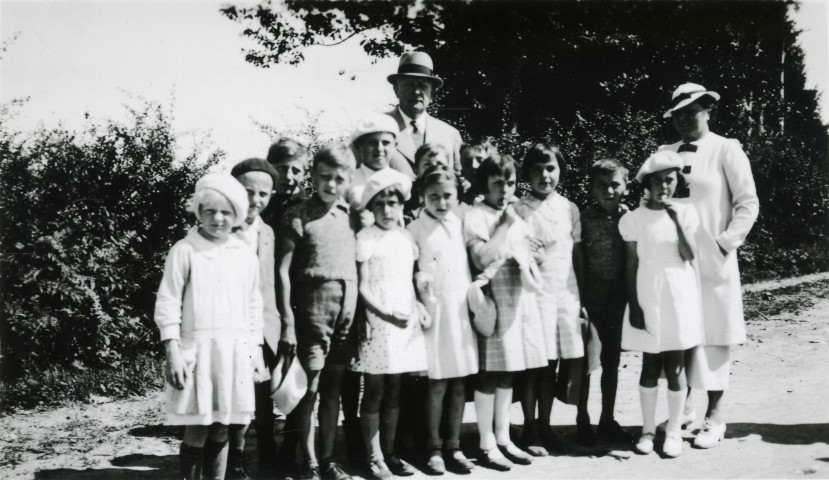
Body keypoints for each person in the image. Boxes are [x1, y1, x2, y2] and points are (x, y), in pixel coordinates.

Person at [660, 83, 759, 448]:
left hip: (712, 260)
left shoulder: (726, 148)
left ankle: (715, 416)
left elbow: (747, 203)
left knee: (715, 335)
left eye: (692, 112)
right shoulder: (664, 153)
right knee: (680, 334)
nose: (685, 119)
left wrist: (723, 244)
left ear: (708, 110)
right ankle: (683, 409)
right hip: (673, 261)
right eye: (679, 114)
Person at [154, 174, 265, 480]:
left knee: (222, 425)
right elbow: (168, 301)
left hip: (234, 352)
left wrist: (255, 352)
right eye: (210, 211)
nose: (218, 219)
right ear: (199, 212)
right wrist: (172, 350)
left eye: (226, 212)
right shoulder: (185, 250)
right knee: (198, 426)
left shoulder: (244, 254)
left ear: (237, 215)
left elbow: (254, 306)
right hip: (197, 352)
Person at [277, 144, 359, 480]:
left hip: (346, 313)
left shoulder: (351, 217)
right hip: (312, 312)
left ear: (349, 179)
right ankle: (308, 463)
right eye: (324, 176)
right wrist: (287, 320)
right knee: (309, 388)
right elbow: (282, 271)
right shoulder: (297, 215)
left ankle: (327, 460)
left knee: (333, 388)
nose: (331, 184)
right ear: (312, 175)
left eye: (339, 178)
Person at [620, 151, 704, 458]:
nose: (663, 186)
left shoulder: (687, 212)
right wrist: (635, 305)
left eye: (669, 180)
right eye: (656, 181)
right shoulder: (634, 219)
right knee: (649, 364)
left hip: (678, 294)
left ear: (677, 182)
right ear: (647, 185)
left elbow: (689, 254)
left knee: (675, 364)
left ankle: (673, 431)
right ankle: (646, 430)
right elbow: (631, 265)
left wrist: (675, 219)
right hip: (648, 292)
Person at [464, 154, 540, 471]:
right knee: (489, 372)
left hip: (515, 297)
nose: (505, 190)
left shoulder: (516, 216)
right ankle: (486, 443)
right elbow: (481, 258)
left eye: (510, 183)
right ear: (484, 184)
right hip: (491, 299)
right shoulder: (476, 216)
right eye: (497, 183)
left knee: (508, 371)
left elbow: (528, 252)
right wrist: (505, 226)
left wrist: (533, 253)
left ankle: (503, 437)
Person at [351, 169, 428, 479]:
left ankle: (390, 451)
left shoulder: (405, 236)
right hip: (379, 322)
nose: (386, 210)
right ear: (371, 207)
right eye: (379, 204)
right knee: (374, 390)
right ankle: (374, 456)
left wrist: (419, 305)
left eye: (392, 203)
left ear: (401, 205)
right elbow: (363, 286)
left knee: (395, 388)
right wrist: (384, 315)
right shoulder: (365, 237)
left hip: (404, 322)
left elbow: (409, 279)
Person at [513, 143, 587, 450]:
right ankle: (529, 427)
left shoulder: (569, 208)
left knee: (552, 364)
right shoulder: (519, 209)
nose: (544, 175)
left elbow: (577, 255)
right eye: (536, 169)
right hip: (533, 295)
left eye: (550, 168)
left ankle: (545, 424)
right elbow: (508, 250)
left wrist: (581, 298)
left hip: (564, 294)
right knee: (534, 364)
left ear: (560, 171)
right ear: (526, 174)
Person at [407, 166, 479, 475]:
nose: (441, 202)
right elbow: (409, 268)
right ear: (422, 196)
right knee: (436, 383)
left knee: (459, 382)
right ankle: (434, 446)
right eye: (433, 196)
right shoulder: (415, 228)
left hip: (459, 312)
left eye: (447, 195)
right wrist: (419, 281)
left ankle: (454, 444)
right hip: (434, 312)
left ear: (457, 195)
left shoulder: (462, 223)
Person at [229, 158, 282, 479]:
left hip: (265, 325)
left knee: (264, 394)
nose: (255, 200)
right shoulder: (222, 228)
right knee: (237, 394)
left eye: (263, 194)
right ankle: (234, 461)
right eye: (248, 192)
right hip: (233, 325)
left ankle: (268, 454)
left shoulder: (268, 232)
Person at [578, 158, 635, 444]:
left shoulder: (630, 218)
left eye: (615, 184)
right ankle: (582, 420)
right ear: (591, 188)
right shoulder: (583, 218)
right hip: (591, 297)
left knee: (611, 360)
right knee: (587, 361)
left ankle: (607, 419)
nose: (609, 191)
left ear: (626, 186)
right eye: (601, 185)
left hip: (618, 298)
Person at [385, 51, 463, 179]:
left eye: (422, 86)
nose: (416, 91)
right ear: (396, 90)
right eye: (408, 85)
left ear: (432, 94)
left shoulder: (450, 135)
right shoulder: (378, 128)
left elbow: (457, 180)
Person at [260, 137, 309, 230]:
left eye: (296, 171)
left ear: (304, 173)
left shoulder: (308, 209)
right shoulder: (259, 203)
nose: (288, 176)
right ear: (269, 167)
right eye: (282, 169)